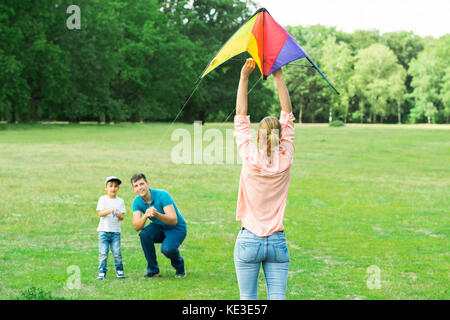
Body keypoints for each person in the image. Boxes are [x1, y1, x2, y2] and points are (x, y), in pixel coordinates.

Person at [233, 58, 295, 300]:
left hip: (249, 239)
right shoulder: (286, 157)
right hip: (277, 242)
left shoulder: (250, 155)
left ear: (258, 135)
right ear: (280, 136)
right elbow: (288, 114)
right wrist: (279, 76)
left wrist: (244, 77)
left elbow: (240, 115)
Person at [130, 173, 187, 278]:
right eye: (136, 186)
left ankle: (180, 268)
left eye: (142, 184)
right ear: (134, 189)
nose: (140, 188)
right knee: (144, 234)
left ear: (148, 184)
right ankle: (153, 271)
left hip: (176, 228)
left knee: (167, 249)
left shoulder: (162, 195)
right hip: (159, 227)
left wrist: (157, 214)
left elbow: (173, 220)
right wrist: (145, 216)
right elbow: (136, 227)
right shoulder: (137, 202)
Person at [96, 176, 126, 280]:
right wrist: (110, 211)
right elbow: (100, 213)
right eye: (111, 186)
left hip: (115, 232)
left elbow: (122, 217)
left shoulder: (120, 201)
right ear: (106, 188)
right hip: (104, 231)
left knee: (117, 252)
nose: (113, 188)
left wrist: (118, 215)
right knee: (103, 253)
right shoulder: (103, 199)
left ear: (118, 188)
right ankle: (102, 271)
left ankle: (119, 270)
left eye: (116, 186)